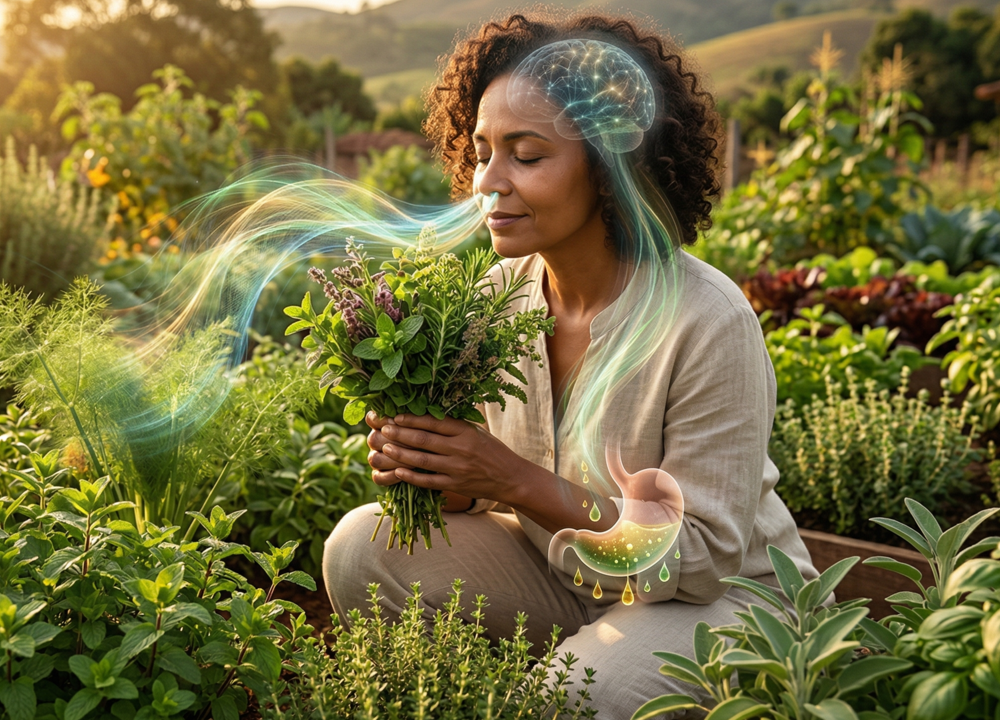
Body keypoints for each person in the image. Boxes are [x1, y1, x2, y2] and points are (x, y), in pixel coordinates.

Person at [321, 11, 821, 717]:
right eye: (482, 152)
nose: (488, 182)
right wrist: (435, 468)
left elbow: (702, 559)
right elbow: (485, 495)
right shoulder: (498, 296)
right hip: (570, 577)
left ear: (612, 170)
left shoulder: (709, 319)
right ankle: (570, 666)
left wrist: (510, 477)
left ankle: (589, 674)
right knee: (360, 549)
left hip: (720, 602)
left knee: (571, 695)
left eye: (527, 156)